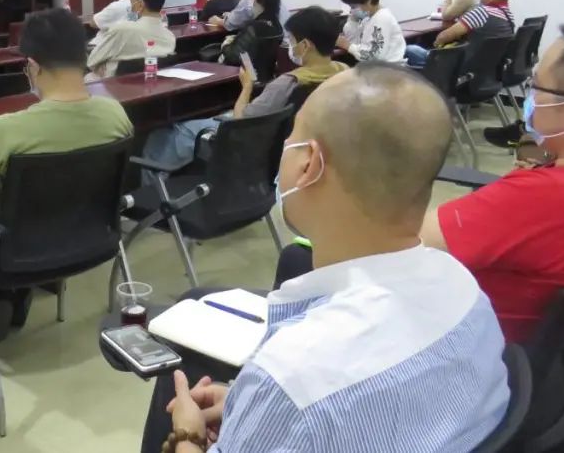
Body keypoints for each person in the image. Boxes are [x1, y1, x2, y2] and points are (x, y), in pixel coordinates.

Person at [144, 64, 509, 453]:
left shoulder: (292, 379)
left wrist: (187, 435)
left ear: (309, 164)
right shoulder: (466, 291)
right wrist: (248, 407)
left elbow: (299, 397)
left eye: (292, 136)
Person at [421, 20, 564, 342]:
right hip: (535, 346)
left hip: (466, 344)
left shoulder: (541, 199)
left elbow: (404, 247)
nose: (531, 97)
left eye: (538, 87)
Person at [0, 8, 133, 338]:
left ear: (33, 67)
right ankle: (16, 292)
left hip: (15, 253)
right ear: (84, 57)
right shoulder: (116, 115)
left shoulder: (8, 129)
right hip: (89, 240)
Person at [140, 6, 347, 183]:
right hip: (309, 151)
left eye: (291, 41)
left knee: (170, 132)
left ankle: (152, 193)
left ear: (305, 45)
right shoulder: (345, 74)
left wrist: (247, 86)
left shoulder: (289, 83)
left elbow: (242, 119)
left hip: (249, 140)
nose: (289, 46)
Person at [86, 0, 175, 79]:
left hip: (116, 85)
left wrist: (105, 66)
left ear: (140, 5)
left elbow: (92, 61)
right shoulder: (170, 37)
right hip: (152, 84)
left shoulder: (122, 29)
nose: (130, 3)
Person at [433, 0, 515, 51]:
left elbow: (444, 37)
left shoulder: (482, 13)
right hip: (491, 59)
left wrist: (435, 44)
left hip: (468, 59)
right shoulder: (509, 16)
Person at [335, 0, 406, 63]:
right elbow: (356, 41)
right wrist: (353, 20)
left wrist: (347, 45)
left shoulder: (382, 18)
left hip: (386, 68)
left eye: (353, 6)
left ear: (368, 1)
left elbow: (373, 57)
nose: (352, 10)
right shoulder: (369, 18)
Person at [217, 0, 283, 68]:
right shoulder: (277, 25)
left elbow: (234, 56)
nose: (248, 1)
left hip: (243, 73)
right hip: (267, 73)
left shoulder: (253, 28)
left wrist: (226, 44)